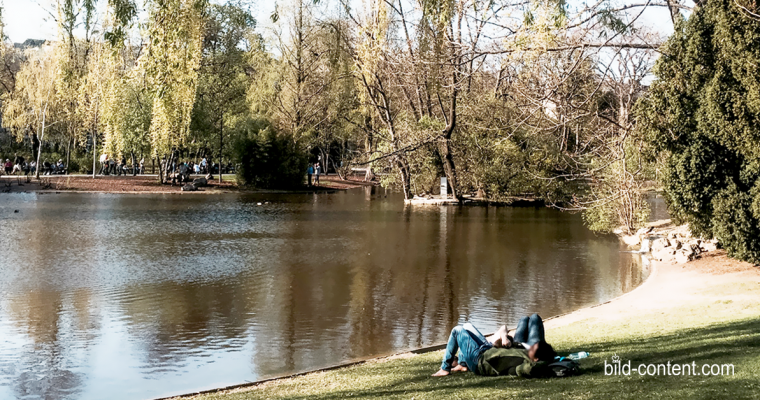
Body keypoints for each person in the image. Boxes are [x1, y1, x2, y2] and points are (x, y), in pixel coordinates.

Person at [433, 314, 556, 378]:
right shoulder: (525, 354)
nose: (532, 347)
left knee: (457, 330)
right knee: (466, 326)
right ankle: (463, 364)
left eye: (534, 348)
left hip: (479, 361)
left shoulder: (524, 365)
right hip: (487, 349)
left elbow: (530, 370)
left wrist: (544, 363)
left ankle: (445, 368)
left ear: (536, 359)